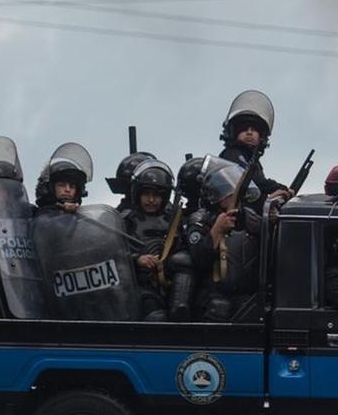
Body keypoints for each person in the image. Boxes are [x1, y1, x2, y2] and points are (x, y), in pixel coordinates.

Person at [166, 159, 263, 322]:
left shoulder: (247, 216)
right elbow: (200, 259)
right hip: (211, 294)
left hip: (243, 292)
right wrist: (217, 230)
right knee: (219, 307)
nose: (233, 193)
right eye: (227, 190)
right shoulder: (200, 219)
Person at [216, 90, 291, 215]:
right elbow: (253, 181)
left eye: (254, 129)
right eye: (244, 129)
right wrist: (280, 188)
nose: (249, 132)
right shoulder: (233, 154)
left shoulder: (252, 159)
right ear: (234, 133)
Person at [121, 158, 175, 320]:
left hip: (170, 284)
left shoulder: (173, 221)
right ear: (137, 194)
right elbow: (114, 252)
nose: (151, 200)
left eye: (157, 195)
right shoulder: (126, 221)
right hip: (139, 286)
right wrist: (137, 259)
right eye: (146, 194)